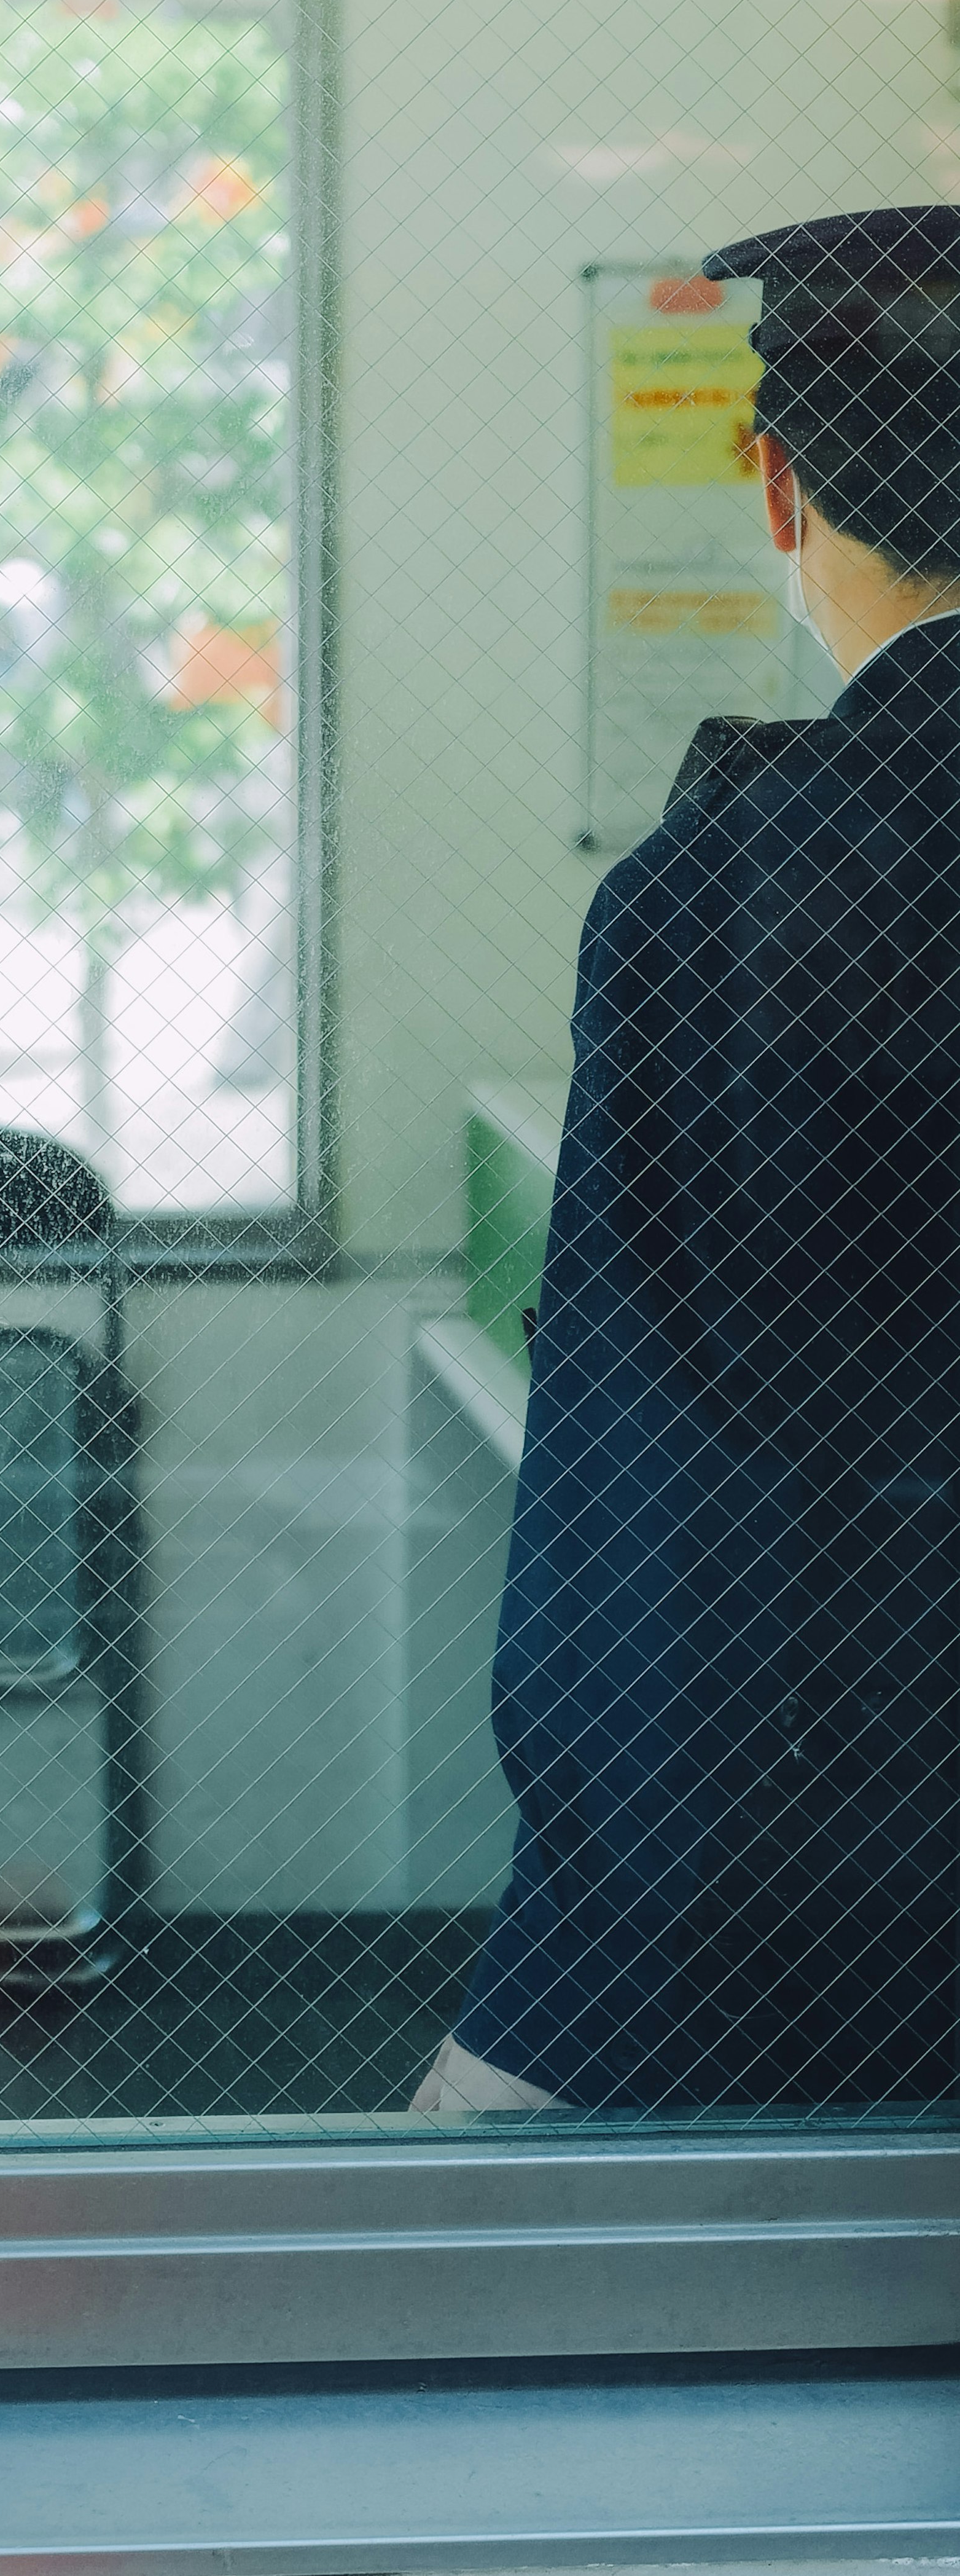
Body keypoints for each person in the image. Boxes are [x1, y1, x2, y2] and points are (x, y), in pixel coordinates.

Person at [419, 206, 960, 2118]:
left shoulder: (734, 888)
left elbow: (657, 1481)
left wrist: (582, 1959)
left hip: (832, 1855)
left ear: (775, 482)